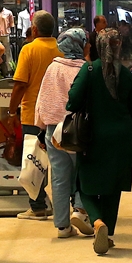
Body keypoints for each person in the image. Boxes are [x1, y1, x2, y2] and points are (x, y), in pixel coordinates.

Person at [66, 29, 132, 255]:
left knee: (83, 184)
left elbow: (73, 101)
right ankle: (109, 232)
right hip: (121, 137)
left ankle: (97, 222)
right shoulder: (125, 74)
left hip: (93, 137)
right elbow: (131, 110)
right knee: (113, 187)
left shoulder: (89, 70)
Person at [34, 27, 93, 238]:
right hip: (77, 129)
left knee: (59, 177)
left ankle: (62, 226)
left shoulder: (52, 68)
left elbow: (41, 101)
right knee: (82, 172)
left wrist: (40, 130)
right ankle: (79, 209)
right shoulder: (85, 69)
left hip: (53, 132)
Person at [9, 10, 62, 220]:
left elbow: (20, 84)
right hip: (57, 113)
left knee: (34, 160)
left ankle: (37, 206)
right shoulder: (60, 49)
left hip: (33, 113)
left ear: (34, 29)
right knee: (56, 161)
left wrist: (11, 110)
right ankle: (57, 203)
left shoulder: (28, 50)